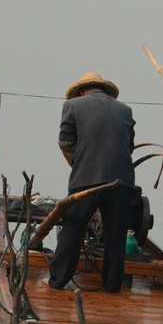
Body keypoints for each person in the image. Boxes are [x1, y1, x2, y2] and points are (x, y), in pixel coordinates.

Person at [48, 72, 135, 293]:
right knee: (115, 236)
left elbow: (65, 142)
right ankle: (112, 286)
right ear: (104, 90)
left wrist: (78, 164)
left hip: (87, 178)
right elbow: (129, 146)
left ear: (81, 91)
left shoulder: (73, 105)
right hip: (122, 180)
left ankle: (57, 281)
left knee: (72, 229)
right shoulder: (125, 110)